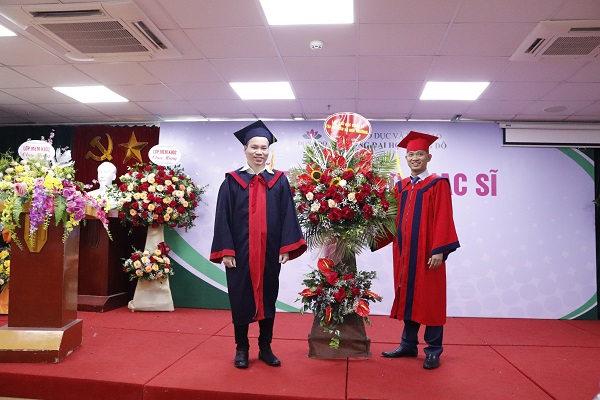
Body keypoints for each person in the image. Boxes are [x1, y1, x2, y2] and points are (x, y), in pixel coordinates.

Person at [210, 120, 307, 369]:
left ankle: (266, 347)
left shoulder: (279, 181)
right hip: (240, 253)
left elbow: (288, 215)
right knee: (240, 298)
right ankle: (241, 348)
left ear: (268, 151)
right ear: (245, 149)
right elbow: (222, 218)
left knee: (268, 297)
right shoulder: (231, 182)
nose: (259, 152)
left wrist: (286, 247)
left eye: (264, 148)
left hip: (269, 252)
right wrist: (227, 251)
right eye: (254, 147)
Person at [379, 131, 460, 370]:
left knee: (431, 300)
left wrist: (439, 250)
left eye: (420, 154)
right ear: (406, 158)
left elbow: (443, 217)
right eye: (411, 154)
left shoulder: (438, 184)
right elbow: (390, 220)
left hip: (428, 254)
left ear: (429, 157)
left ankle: (433, 350)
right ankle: (408, 345)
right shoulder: (401, 186)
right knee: (408, 296)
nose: (415, 158)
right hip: (404, 254)